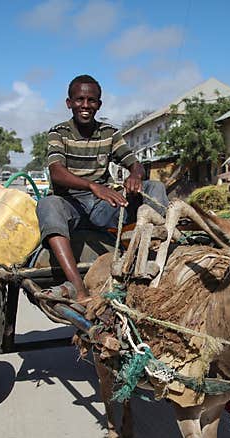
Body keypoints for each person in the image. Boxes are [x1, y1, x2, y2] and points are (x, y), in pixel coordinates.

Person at [36, 74, 168, 304]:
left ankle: (158, 263)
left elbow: (133, 162)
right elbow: (56, 171)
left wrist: (135, 176)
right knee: (48, 204)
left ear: (99, 104)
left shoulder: (109, 133)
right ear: (69, 103)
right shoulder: (59, 133)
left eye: (91, 100)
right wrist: (91, 185)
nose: (85, 106)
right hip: (70, 206)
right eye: (79, 100)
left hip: (103, 206)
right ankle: (78, 288)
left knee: (154, 187)